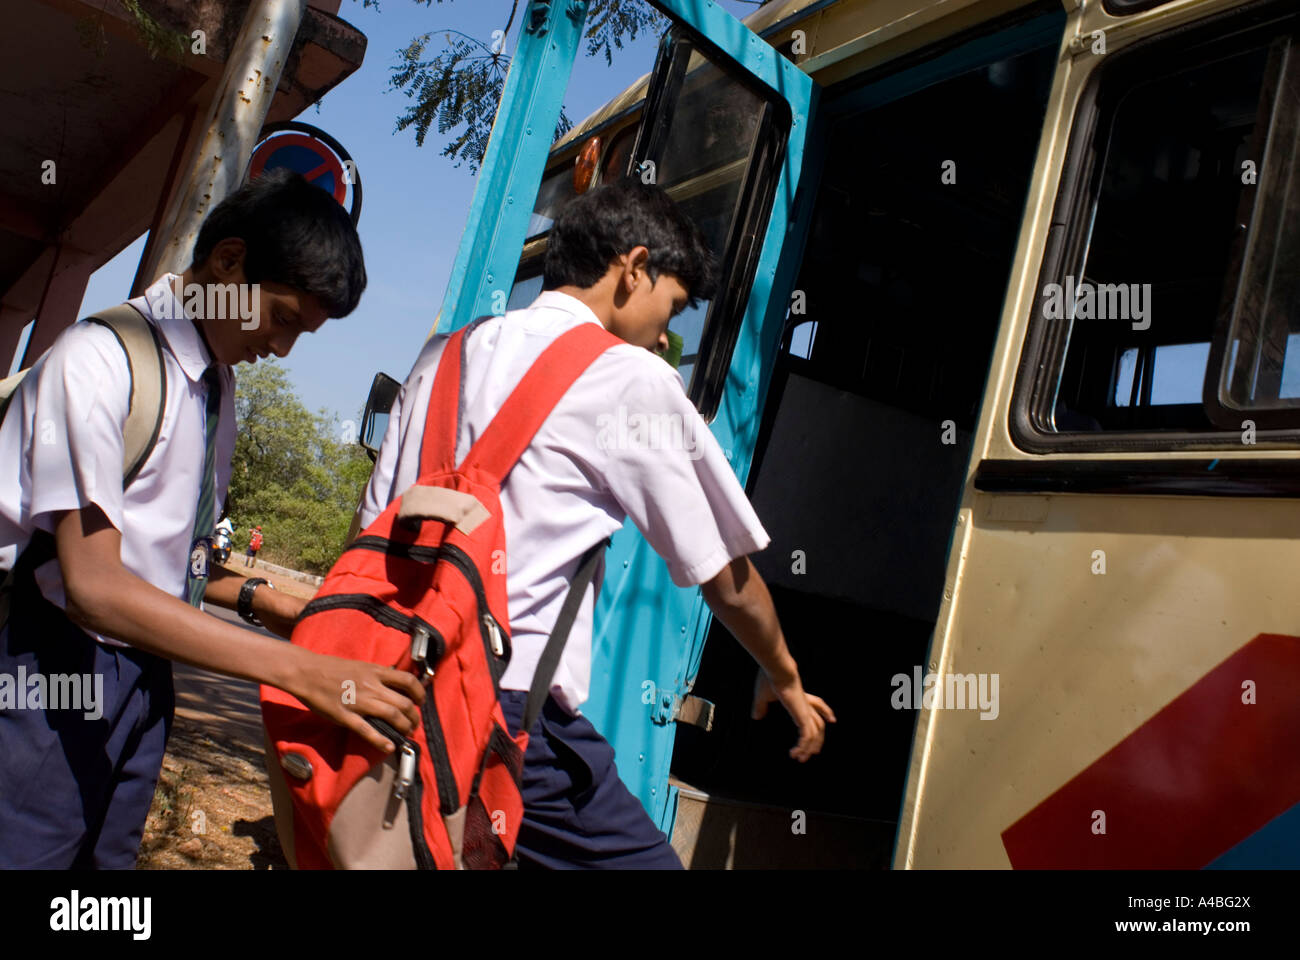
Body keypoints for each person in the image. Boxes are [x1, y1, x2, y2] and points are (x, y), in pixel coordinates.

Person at [360, 178, 835, 869]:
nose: (668, 334)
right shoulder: (630, 380)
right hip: (507, 718)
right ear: (633, 268)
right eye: (671, 306)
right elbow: (726, 578)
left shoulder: (443, 356)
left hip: (388, 682)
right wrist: (783, 675)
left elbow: (372, 526)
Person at [0, 168, 423, 869]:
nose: (282, 347)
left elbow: (167, 560)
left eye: (303, 333)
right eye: (282, 316)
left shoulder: (214, 386)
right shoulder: (99, 361)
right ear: (228, 261)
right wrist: (298, 670)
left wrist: (269, 603)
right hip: (55, 676)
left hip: (142, 681)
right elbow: (96, 586)